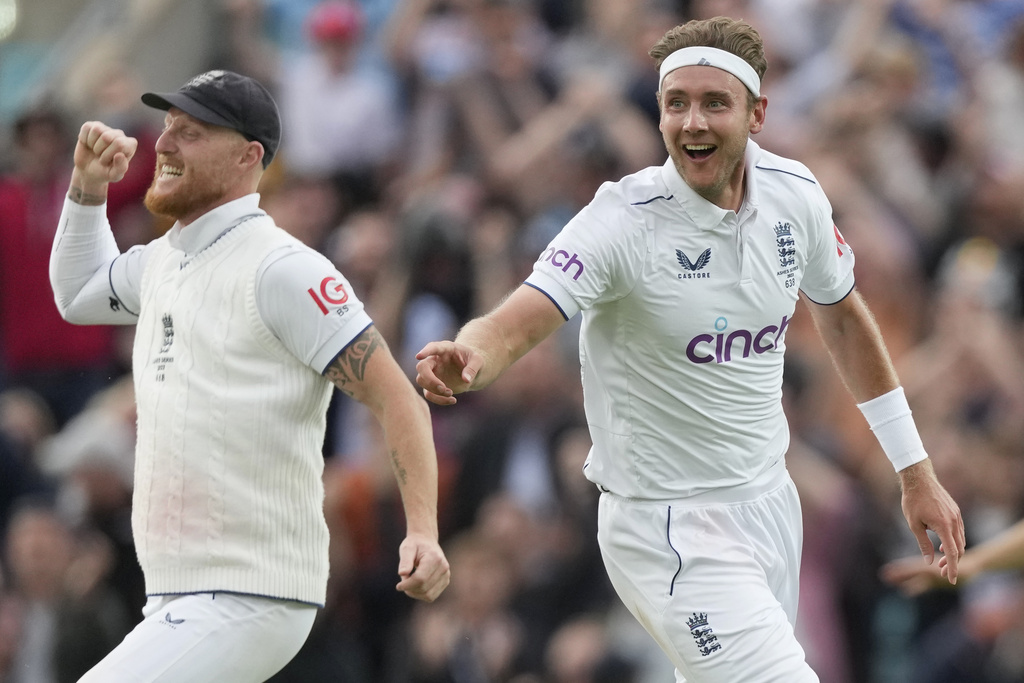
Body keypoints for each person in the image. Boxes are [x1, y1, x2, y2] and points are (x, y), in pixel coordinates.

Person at [414, 16, 964, 682]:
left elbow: (843, 319)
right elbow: (522, 316)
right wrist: (471, 354)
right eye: (676, 103)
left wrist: (915, 469)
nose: (692, 122)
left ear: (757, 113)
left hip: (768, 503)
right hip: (665, 528)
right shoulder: (623, 220)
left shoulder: (796, 196)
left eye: (714, 103)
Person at [48, 69, 450, 682]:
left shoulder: (283, 268)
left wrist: (423, 530)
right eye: (167, 128)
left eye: (192, 132)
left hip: (249, 592)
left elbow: (399, 400)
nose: (165, 144)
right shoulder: (164, 260)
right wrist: (86, 188)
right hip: (178, 595)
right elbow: (77, 292)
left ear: (247, 155)